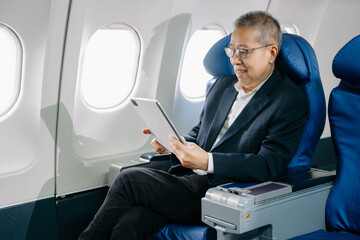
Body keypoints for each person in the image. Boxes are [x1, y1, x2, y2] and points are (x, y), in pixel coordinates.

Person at [79, 10, 309, 240]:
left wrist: (207, 161)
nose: (235, 59)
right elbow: (201, 133)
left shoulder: (289, 101)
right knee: (130, 222)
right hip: (187, 180)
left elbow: (268, 164)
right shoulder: (222, 85)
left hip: (223, 194)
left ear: (271, 53)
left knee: (129, 180)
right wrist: (175, 144)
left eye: (244, 51)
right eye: (231, 50)